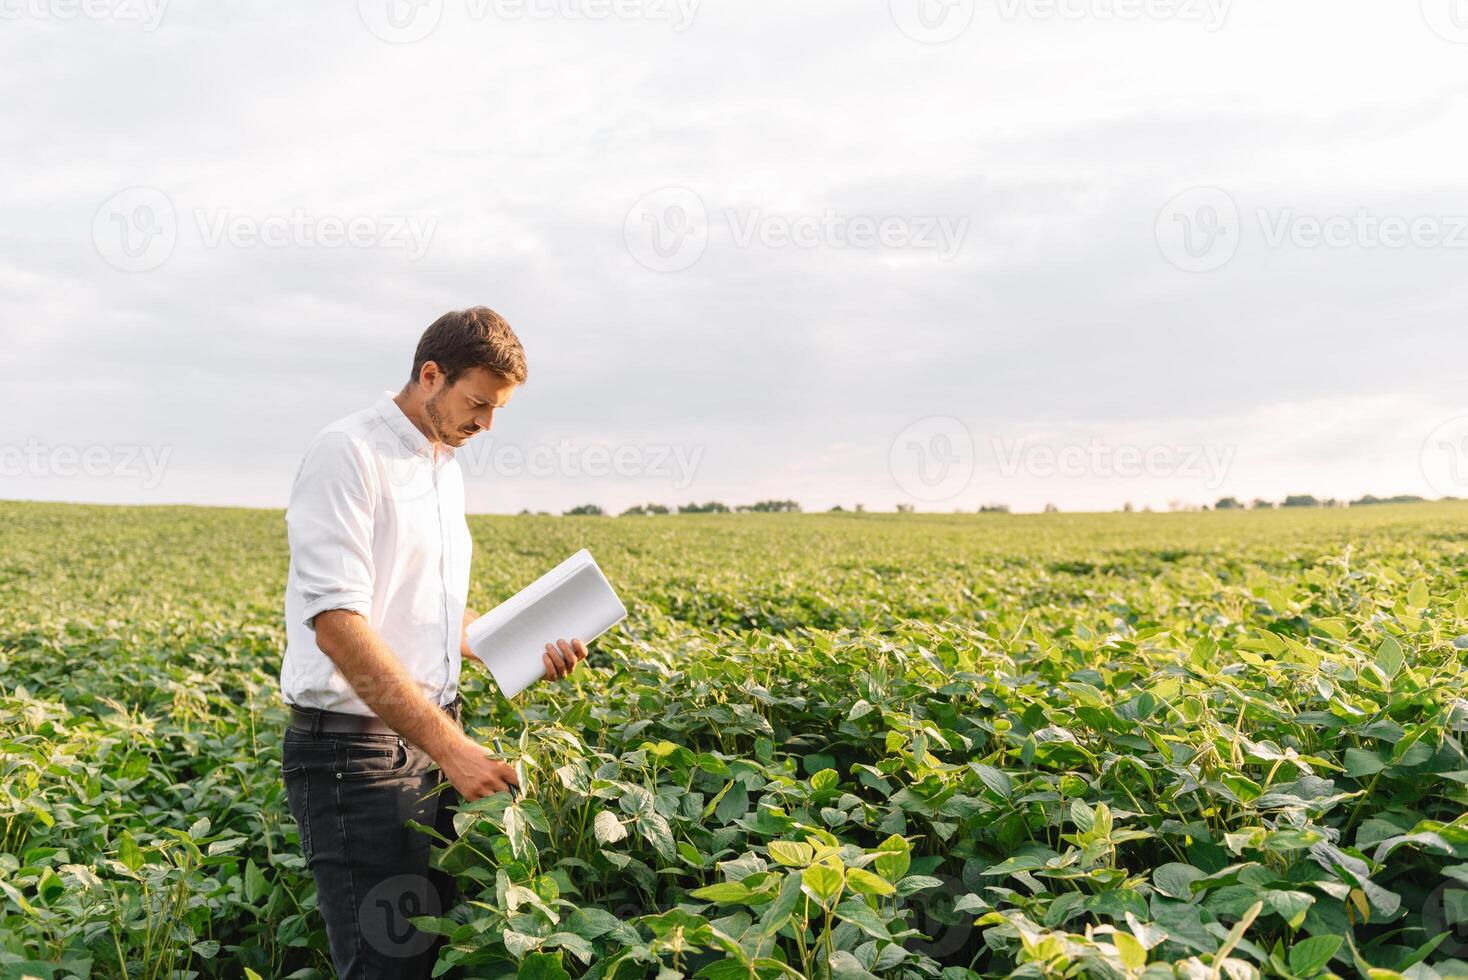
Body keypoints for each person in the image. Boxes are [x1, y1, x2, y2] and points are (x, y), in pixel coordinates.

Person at [278, 307, 588, 978]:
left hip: (422, 741)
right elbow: (338, 624)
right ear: (429, 375)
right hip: (354, 755)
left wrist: (517, 646)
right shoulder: (349, 453)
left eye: (497, 409)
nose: (486, 424)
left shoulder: (444, 463)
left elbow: (416, 611)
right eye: (478, 403)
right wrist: (453, 749)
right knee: (386, 965)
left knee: (427, 952)